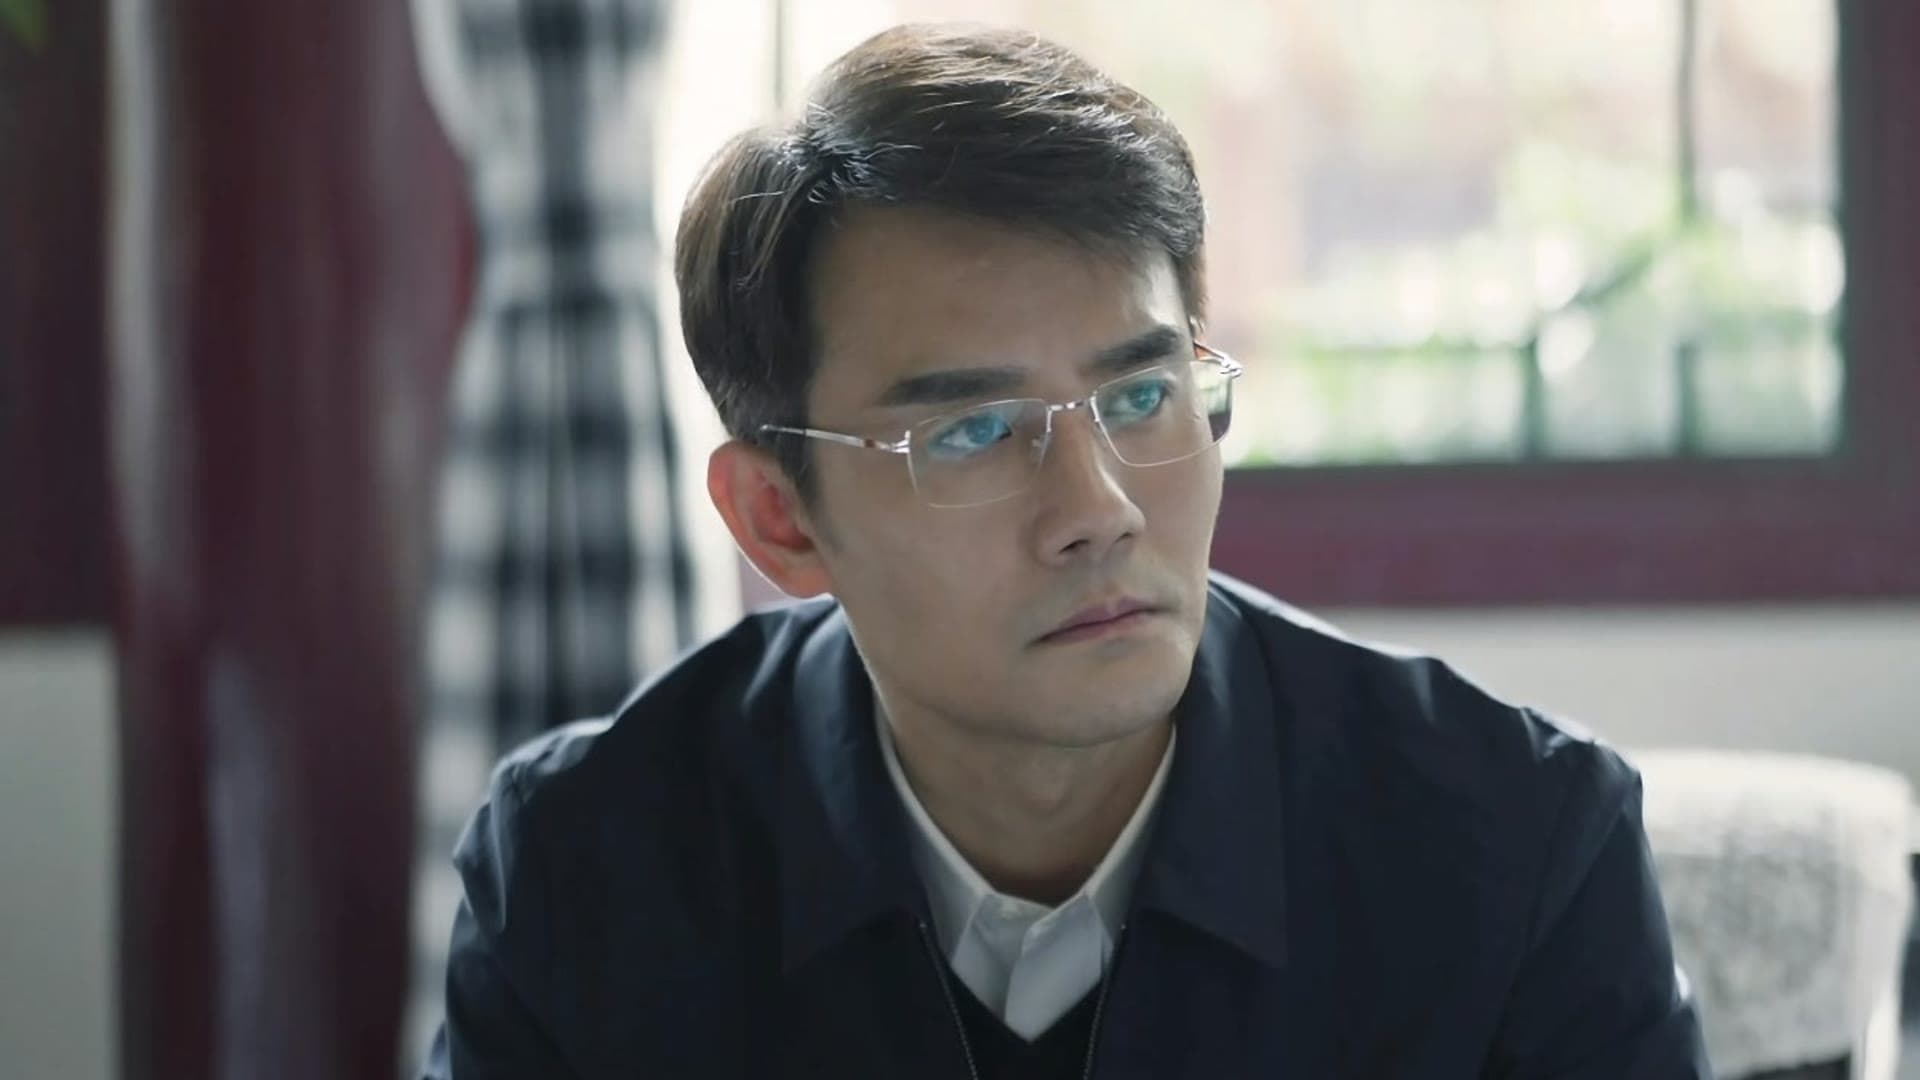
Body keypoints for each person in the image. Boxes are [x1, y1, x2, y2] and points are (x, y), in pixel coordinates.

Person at [422, 22, 1710, 1079]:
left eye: (1142, 396)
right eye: (975, 431)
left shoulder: (1516, 850)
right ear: (780, 517)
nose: (1098, 509)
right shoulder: (587, 871)